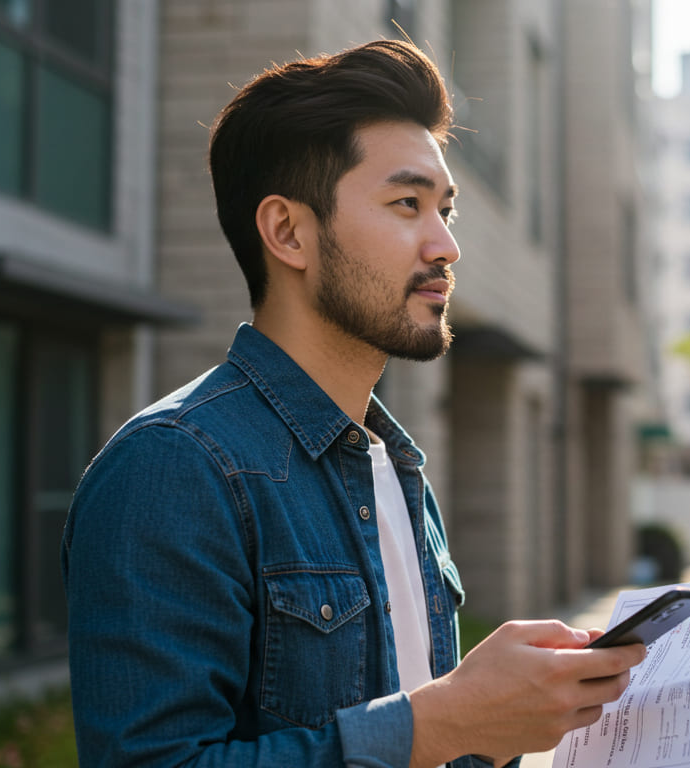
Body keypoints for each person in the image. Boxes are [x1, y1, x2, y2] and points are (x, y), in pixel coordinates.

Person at [61, 40, 646, 768]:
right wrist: (442, 724)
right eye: (407, 204)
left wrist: (546, 714)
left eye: (447, 211)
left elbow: (435, 737)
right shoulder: (174, 466)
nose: (445, 246)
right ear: (288, 232)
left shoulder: (393, 466)